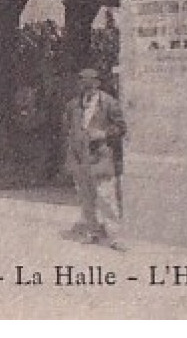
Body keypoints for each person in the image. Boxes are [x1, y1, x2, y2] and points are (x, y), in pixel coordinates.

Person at [64, 67, 124, 246]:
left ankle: (114, 236)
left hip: (101, 157)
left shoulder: (109, 103)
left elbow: (121, 127)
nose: (87, 89)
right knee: (85, 197)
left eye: (90, 85)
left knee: (105, 196)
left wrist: (104, 134)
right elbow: (68, 128)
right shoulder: (73, 105)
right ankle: (93, 232)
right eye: (83, 85)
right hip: (79, 157)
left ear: (98, 84)